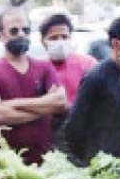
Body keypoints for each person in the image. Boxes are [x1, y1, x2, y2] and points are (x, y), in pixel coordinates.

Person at [0, 8, 65, 164]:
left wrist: (14, 104)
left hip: (46, 161)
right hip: (8, 165)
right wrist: (44, 106)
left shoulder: (44, 67)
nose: (21, 34)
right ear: (1, 36)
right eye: (14, 30)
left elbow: (59, 103)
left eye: (26, 30)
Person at [65, 16, 120, 166]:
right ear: (116, 44)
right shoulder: (95, 77)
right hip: (104, 167)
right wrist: (90, 160)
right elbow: (75, 125)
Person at [39, 13, 97, 151]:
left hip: (85, 134)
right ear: (43, 41)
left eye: (64, 37)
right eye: (53, 38)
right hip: (50, 137)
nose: (60, 41)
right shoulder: (37, 69)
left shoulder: (88, 64)